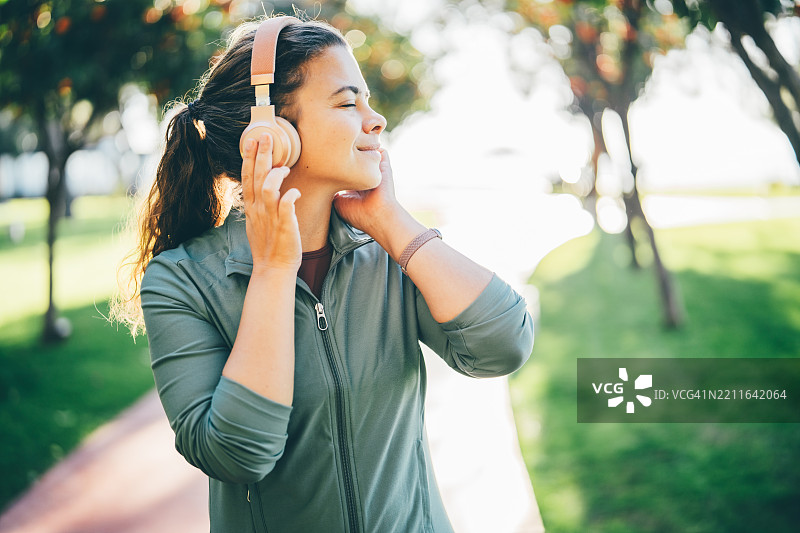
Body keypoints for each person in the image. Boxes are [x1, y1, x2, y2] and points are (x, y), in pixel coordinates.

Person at [113, 14, 534, 533]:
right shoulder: (180, 282)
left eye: (367, 100)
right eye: (347, 101)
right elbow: (238, 455)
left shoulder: (386, 253)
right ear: (270, 132)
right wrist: (271, 270)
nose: (375, 119)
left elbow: (505, 345)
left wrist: (390, 222)